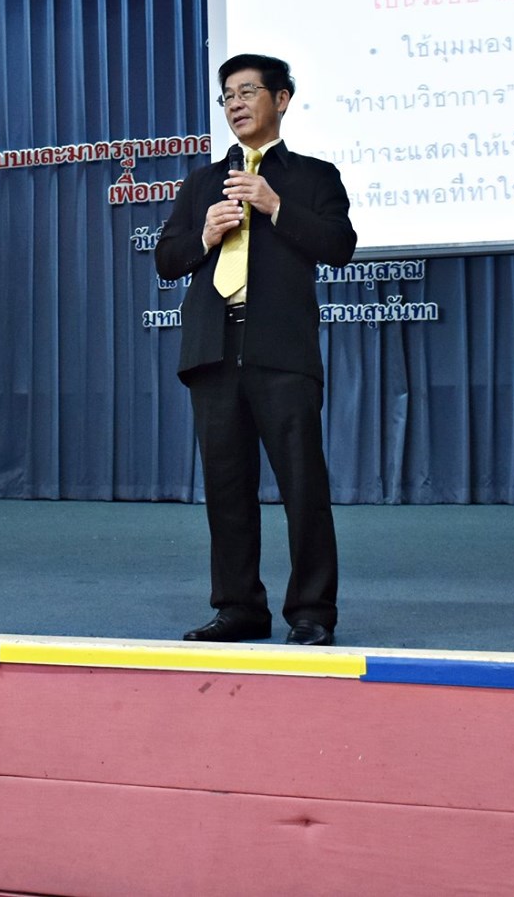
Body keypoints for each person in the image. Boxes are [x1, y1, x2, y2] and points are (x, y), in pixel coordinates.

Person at [156, 53, 357, 645]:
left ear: (282, 99)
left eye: (248, 92)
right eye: (228, 96)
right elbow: (167, 259)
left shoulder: (314, 177)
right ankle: (239, 607)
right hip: (213, 352)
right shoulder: (201, 183)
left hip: (281, 351)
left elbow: (339, 245)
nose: (236, 104)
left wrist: (275, 206)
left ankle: (312, 612)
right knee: (226, 490)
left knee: (303, 488)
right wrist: (203, 236)